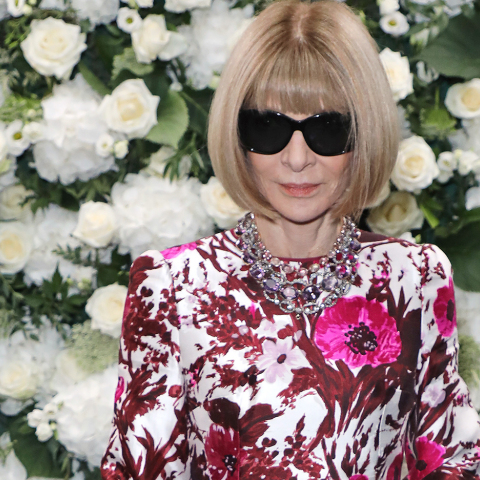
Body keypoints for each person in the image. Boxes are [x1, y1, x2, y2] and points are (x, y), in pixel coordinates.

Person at [101, 0, 480, 479]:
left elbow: (453, 459)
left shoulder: (416, 277)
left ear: (365, 133)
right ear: (236, 135)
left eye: (328, 129)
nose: (297, 158)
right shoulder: (173, 285)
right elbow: (140, 469)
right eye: (269, 127)